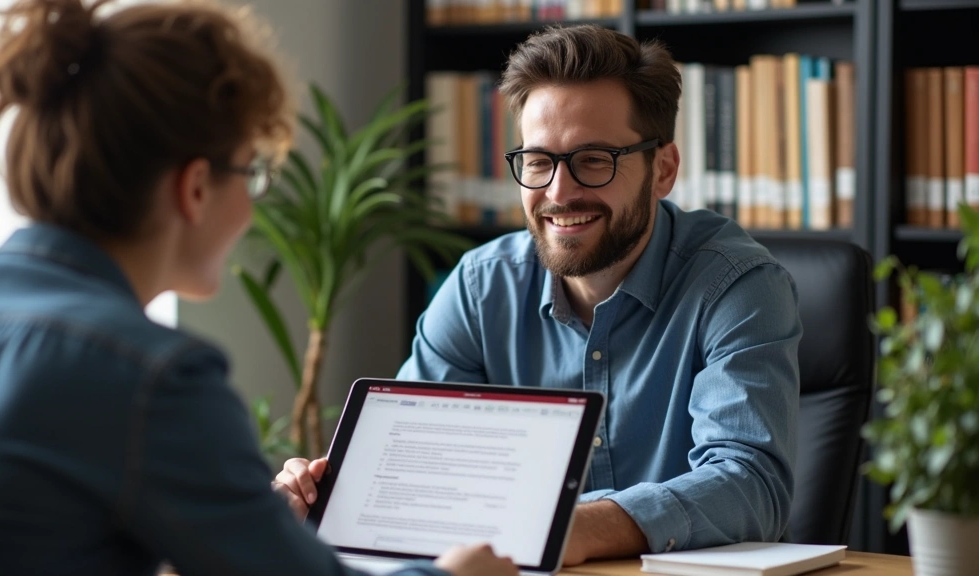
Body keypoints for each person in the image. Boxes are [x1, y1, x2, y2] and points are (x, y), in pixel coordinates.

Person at [0, 1, 519, 575]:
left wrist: (246, 520)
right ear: (196, 188)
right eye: (251, 172)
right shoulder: (153, 378)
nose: (253, 206)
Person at [275, 24, 802, 566]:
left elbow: (749, 483)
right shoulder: (481, 287)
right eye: (537, 161)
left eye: (594, 159)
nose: (557, 192)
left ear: (662, 170)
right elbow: (416, 466)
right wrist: (324, 498)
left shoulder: (735, 285)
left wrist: (567, 531)